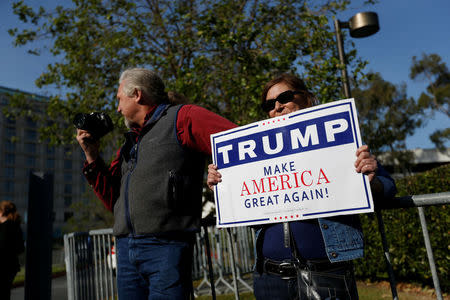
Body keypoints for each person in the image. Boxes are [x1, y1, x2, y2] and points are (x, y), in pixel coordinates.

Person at [207, 73, 397, 299]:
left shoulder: (340, 140)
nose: (277, 107)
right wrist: (224, 185)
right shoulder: (253, 155)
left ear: (306, 98)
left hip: (326, 275)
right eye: (269, 104)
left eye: (285, 97)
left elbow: (388, 187)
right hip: (269, 279)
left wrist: (369, 180)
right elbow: (247, 209)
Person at [76, 68, 236, 299]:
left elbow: (238, 142)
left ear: (137, 95)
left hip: (166, 245)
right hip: (125, 249)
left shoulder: (183, 117)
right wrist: (91, 156)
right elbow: (114, 199)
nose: (118, 108)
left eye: (120, 99)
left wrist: (219, 172)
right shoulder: (129, 145)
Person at [0, 201, 25, 300]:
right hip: (11, 267)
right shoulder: (16, 226)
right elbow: (21, 248)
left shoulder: (2, 227)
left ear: (1, 212)